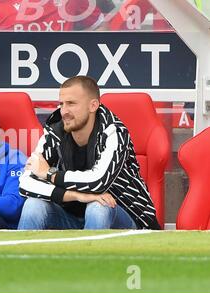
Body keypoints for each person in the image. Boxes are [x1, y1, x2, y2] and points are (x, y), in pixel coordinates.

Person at [18, 75, 161, 230]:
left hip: (126, 220)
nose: (64, 111)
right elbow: (25, 184)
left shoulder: (114, 132)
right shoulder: (54, 131)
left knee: (98, 206)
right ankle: (20, 254)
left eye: (71, 103)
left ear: (93, 105)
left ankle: (87, 254)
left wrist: (50, 174)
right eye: (61, 104)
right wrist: (77, 196)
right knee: (33, 205)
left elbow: (97, 182)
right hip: (72, 217)